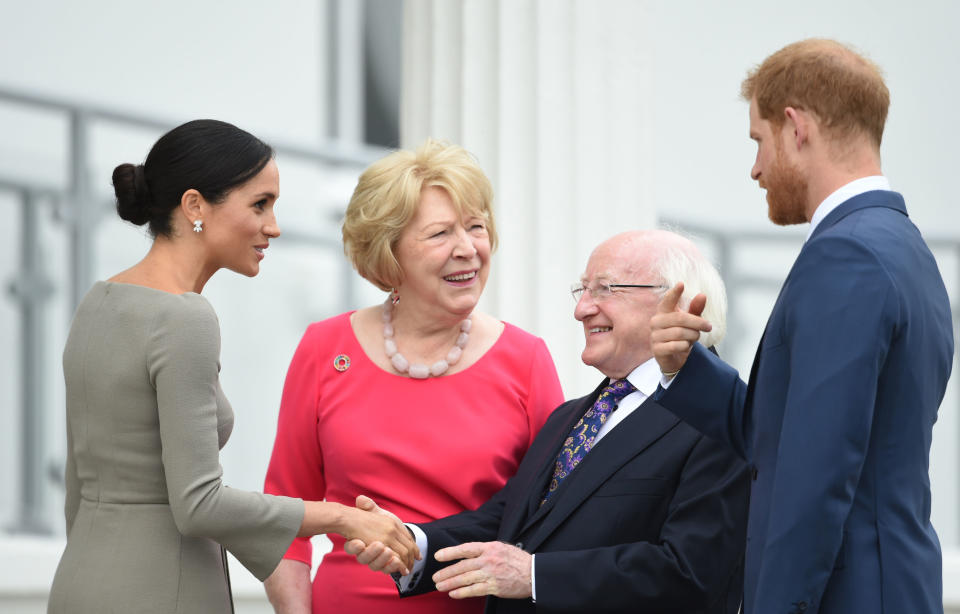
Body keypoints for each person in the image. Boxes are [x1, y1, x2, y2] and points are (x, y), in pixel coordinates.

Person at [47, 120, 417, 614]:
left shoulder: (99, 301)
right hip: (162, 589)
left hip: (80, 581)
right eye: (259, 204)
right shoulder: (184, 318)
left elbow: (79, 484)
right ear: (195, 206)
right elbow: (200, 503)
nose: (274, 225)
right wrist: (345, 518)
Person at [650, 39, 954, 614]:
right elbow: (790, 439)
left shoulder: (848, 256)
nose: (756, 168)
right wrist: (686, 369)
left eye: (758, 141)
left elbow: (814, 482)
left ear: (797, 126)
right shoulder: (905, 249)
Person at [348, 230, 751, 614]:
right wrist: (409, 541)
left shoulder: (722, 416)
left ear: (677, 304)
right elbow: (508, 523)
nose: (582, 309)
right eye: (583, 290)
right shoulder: (570, 416)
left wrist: (534, 576)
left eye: (605, 289)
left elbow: (691, 572)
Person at [262, 139, 564, 614]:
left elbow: (557, 515)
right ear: (389, 252)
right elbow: (282, 515)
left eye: (476, 227)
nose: (467, 249)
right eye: (441, 233)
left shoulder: (525, 359)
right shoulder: (325, 348)